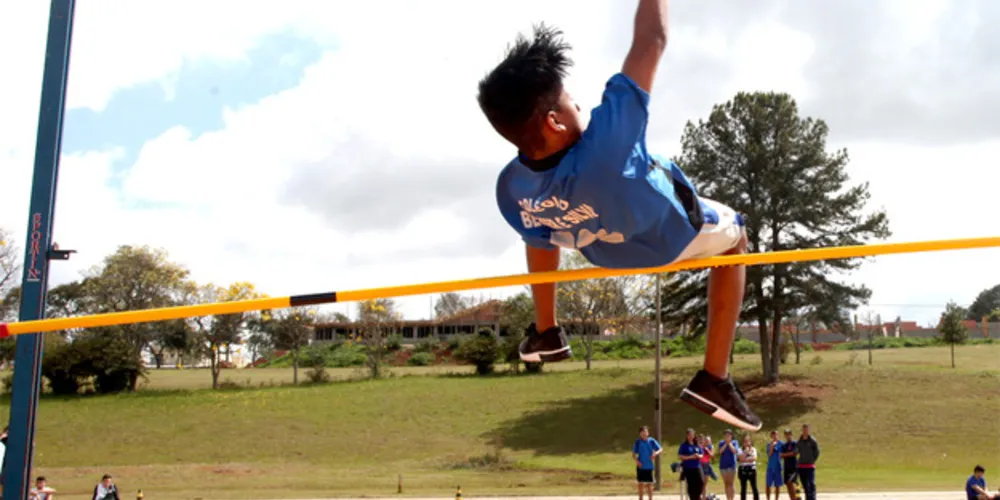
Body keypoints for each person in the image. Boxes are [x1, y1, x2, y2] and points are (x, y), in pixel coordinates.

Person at [477, 0, 760, 432]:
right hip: (674, 236)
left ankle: (547, 330)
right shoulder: (606, 143)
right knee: (736, 236)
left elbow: (540, 240)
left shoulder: (510, 188)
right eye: (571, 102)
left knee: (538, 232)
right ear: (554, 122)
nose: (580, 107)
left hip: (607, 252)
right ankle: (714, 378)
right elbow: (651, 41)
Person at [632, 426, 662, 500]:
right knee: (641, 484)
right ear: (640, 434)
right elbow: (633, 454)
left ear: (648, 433)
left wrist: (655, 453)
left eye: (645, 432)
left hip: (649, 466)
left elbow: (660, 449)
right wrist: (637, 461)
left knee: (650, 484)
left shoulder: (652, 441)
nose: (644, 433)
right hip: (641, 466)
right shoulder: (638, 442)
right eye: (642, 432)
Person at [677, 428, 704, 500]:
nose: (691, 436)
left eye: (692, 435)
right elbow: (680, 456)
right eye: (689, 435)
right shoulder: (684, 445)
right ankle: (693, 497)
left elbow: (702, 454)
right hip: (688, 467)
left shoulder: (697, 444)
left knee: (701, 482)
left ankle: (697, 496)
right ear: (687, 436)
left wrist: (698, 456)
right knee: (691, 485)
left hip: (697, 466)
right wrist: (690, 457)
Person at [796, 425, 820, 500]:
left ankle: (812, 498)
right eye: (803, 430)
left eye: (806, 430)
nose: (805, 431)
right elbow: (797, 451)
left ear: (808, 431)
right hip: (801, 466)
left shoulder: (812, 441)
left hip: (810, 466)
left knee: (811, 484)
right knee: (805, 485)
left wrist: (812, 460)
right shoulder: (800, 441)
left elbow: (817, 452)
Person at [717, 430, 741, 500]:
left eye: (728, 435)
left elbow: (734, 451)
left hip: (731, 465)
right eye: (726, 435)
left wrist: (729, 443)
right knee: (726, 483)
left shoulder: (735, 442)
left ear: (731, 436)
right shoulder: (721, 443)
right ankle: (728, 498)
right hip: (723, 466)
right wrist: (725, 444)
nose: (727, 436)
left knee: (731, 483)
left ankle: (732, 498)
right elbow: (720, 452)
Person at [737, 434, 760, 500]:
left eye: (748, 441)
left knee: (754, 487)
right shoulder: (740, 449)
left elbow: (754, 458)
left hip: (751, 469)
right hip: (743, 469)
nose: (746, 443)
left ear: (750, 442)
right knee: (743, 488)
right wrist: (745, 452)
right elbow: (740, 459)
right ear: (743, 442)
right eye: (745, 441)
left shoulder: (753, 449)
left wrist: (745, 459)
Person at [778, 429, 799, 500]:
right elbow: (780, 455)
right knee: (787, 484)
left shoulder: (794, 443)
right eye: (786, 434)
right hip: (786, 467)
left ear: (791, 435)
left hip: (793, 467)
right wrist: (784, 455)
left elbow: (794, 453)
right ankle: (793, 498)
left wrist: (784, 455)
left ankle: (796, 498)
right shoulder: (784, 445)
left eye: (789, 434)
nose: (787, 436)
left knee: (791, 482)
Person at [764, 431, 783, 500]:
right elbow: (769, 454)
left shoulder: (781, 444)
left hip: (777, 467)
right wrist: (772, 446)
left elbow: (782, 454)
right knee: (768, 484)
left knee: (777, 485)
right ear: (771, 436)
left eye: (776, 435)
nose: (775, 436)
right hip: (770, 467)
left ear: (778, 435)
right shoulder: (769, 444)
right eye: (773, 435)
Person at [700, 434, 718, 499]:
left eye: (708, 441)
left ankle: (704, 498)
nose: (707, 442)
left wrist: (707, 449)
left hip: (706, 465)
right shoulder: (700, 446)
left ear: (710, 441)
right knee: (700, 484)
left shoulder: (710, 447)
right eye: (706, 440)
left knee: (704, 484)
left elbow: (712, 455)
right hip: (699, 465)